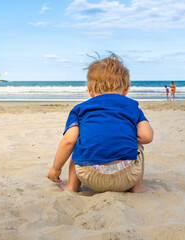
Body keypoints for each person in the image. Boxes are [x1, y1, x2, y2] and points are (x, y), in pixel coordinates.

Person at [47, 53, 154, 193]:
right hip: (126, 177)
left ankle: (72, 187)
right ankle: (137, 188)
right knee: (137, 145)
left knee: (78, 140)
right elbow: (147, 137)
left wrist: (56, 169)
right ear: (126, 90)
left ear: (90, 92)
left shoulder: (80, 109)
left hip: (89, 176)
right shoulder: (132, 107)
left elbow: (68, 141)